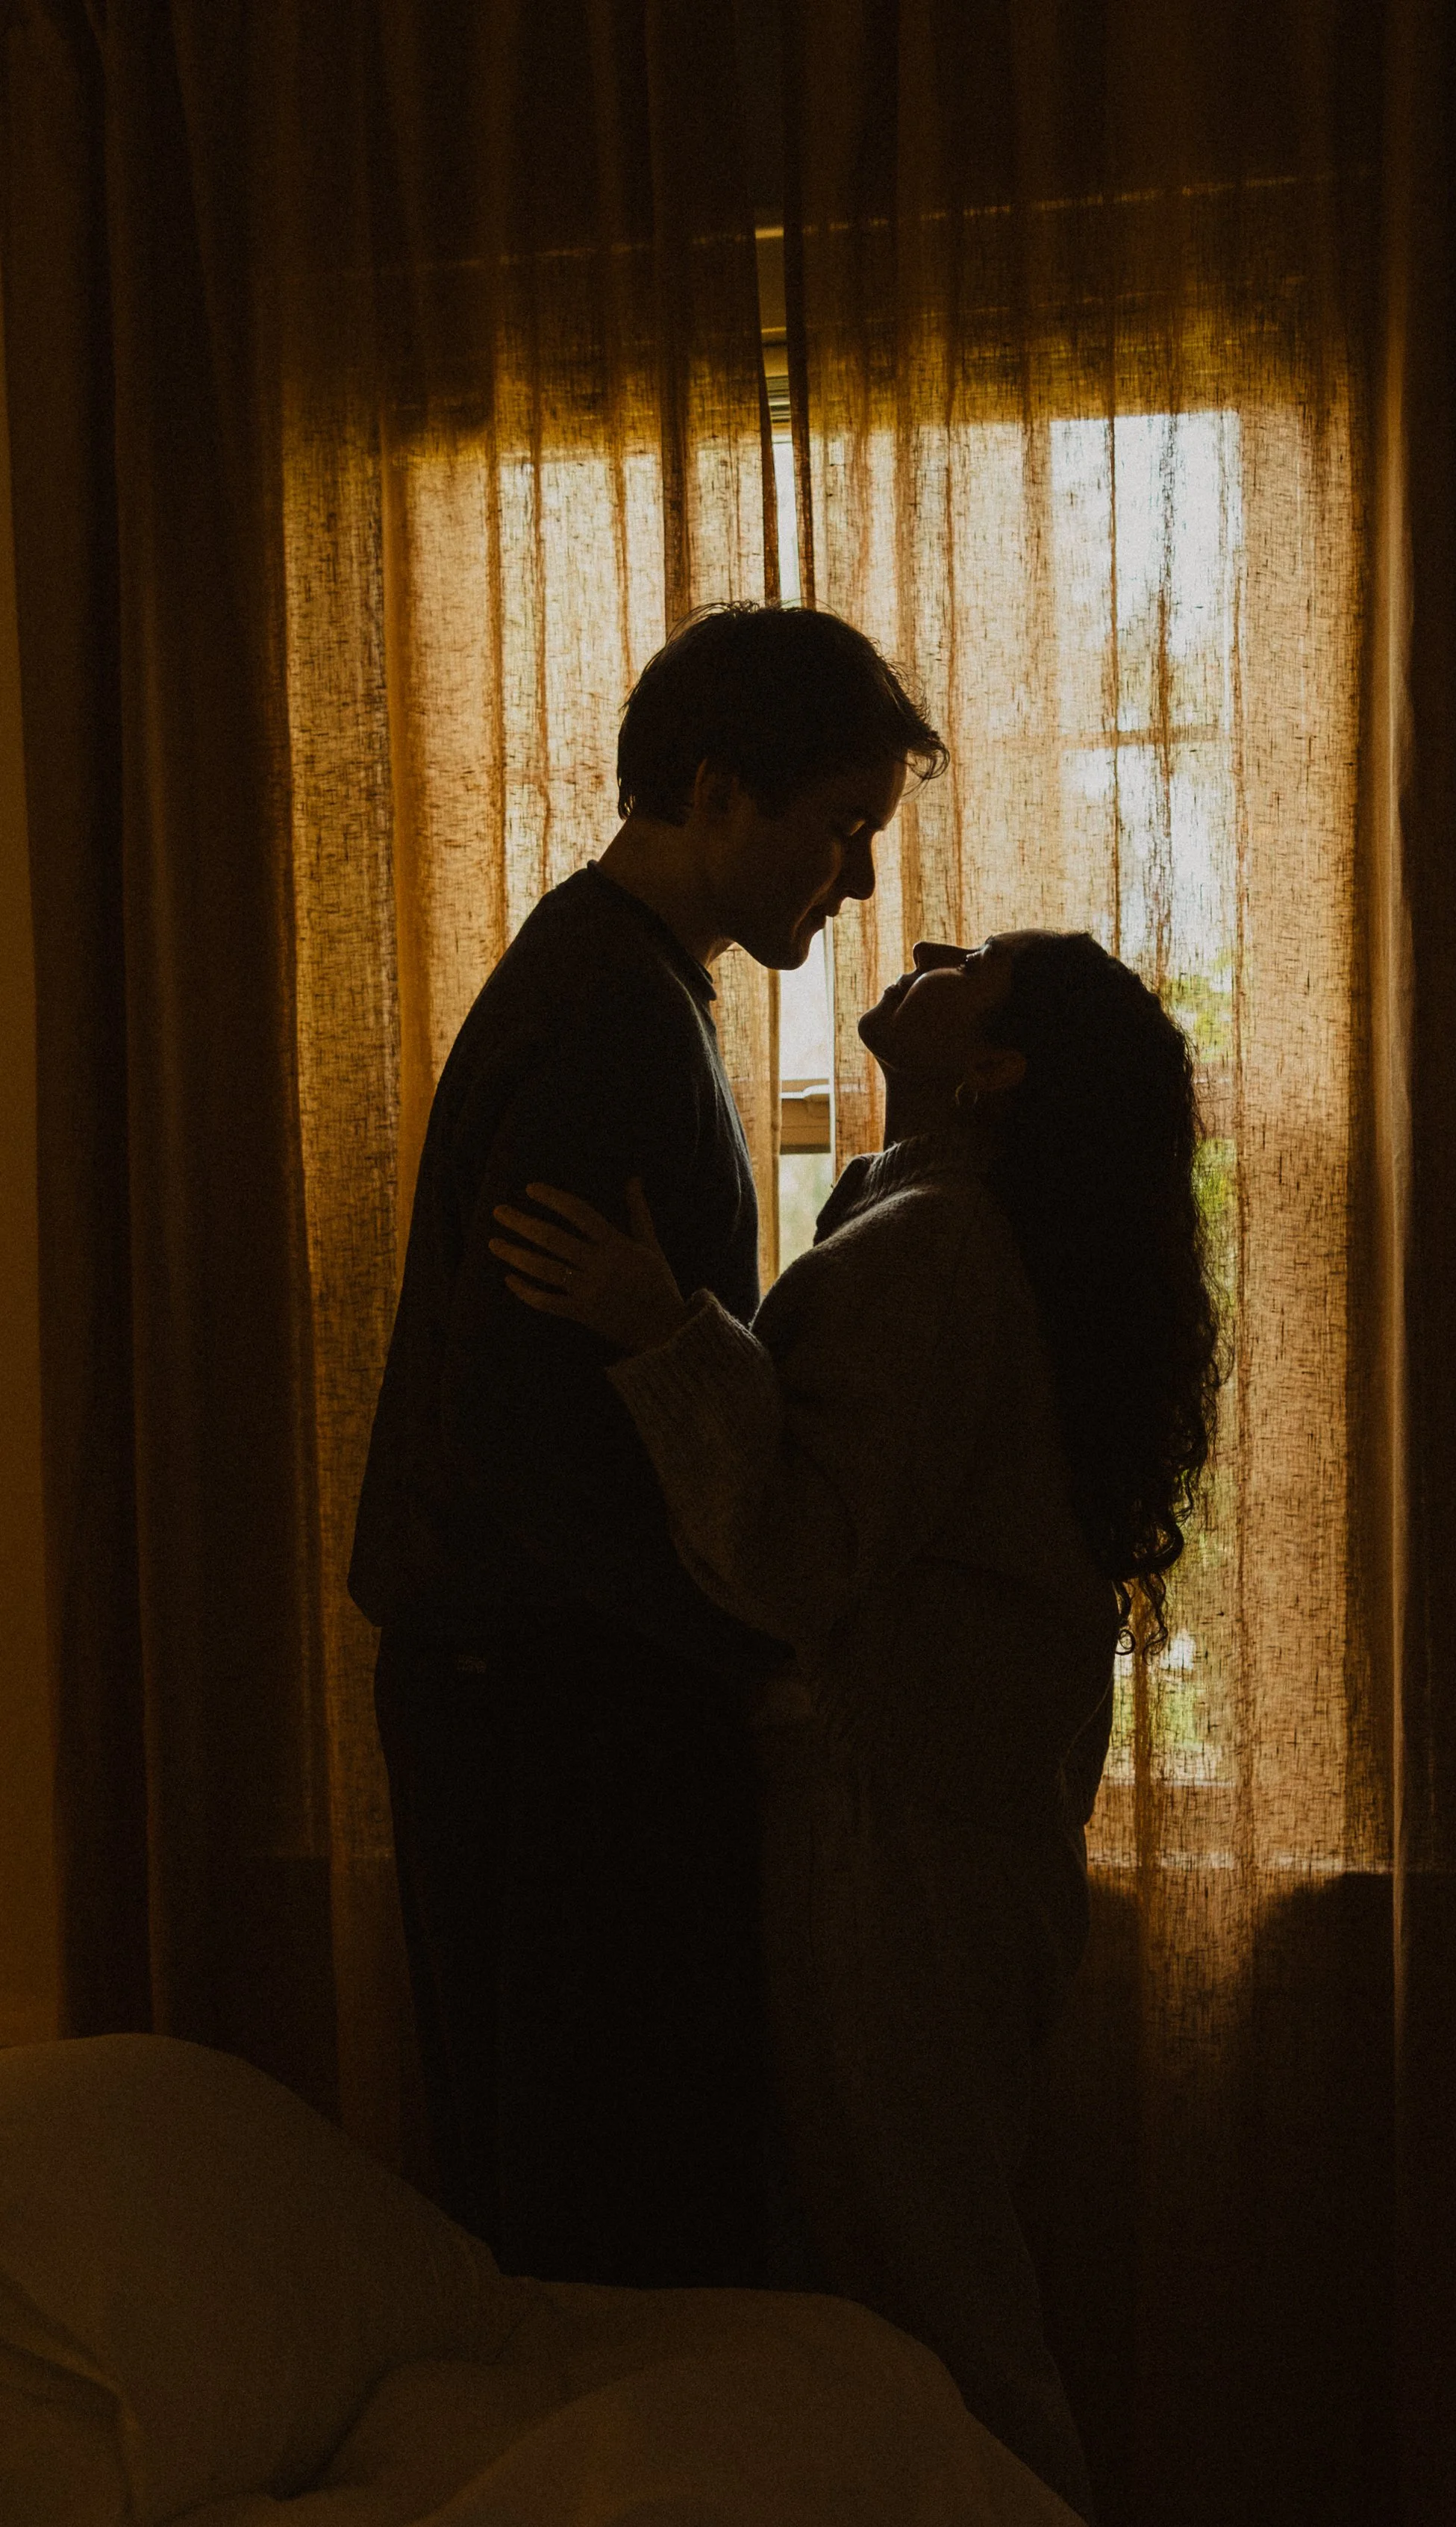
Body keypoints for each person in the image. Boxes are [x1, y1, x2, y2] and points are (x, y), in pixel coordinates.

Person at [490, 926, 1224, 2519]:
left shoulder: (938, 1244)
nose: (936, 942)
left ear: (990, 1068)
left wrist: (657, 1327)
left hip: (898, 1850)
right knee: (914, 2275)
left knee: (930, 2294)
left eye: (984, 966)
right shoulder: (953, 1232)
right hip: (965, 1839)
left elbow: (798, 1561)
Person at [349, 602, 944, 2288]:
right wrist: (747, 1639)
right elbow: (530, 1444)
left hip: (548, 1695)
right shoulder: (610, 1017)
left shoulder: (623, 983)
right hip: (549, 1708)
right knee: (601, 2211)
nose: (856, 882)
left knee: (608, 2195)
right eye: (837, 828)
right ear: (713, 791)